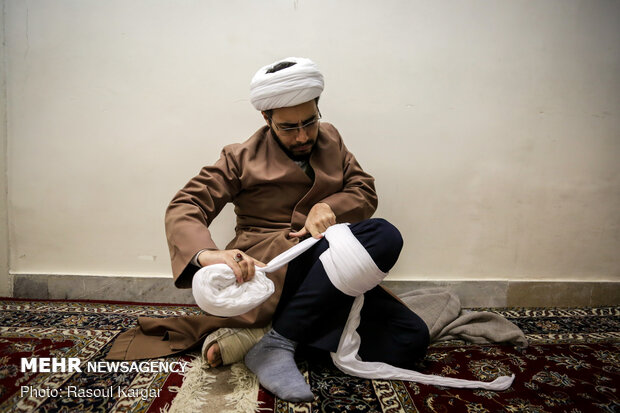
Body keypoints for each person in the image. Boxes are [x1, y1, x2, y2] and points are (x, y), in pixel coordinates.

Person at [106, 57, 429, 402]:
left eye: (310, 122)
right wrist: (209, 255)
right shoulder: (239, 157)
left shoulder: (332, 139)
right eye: (289, 127)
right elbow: (186, 205)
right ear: (266, 118)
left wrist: (327, 207)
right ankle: (279, 343)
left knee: (410, 340)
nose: (303, 136)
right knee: (384, 235)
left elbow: (363, 189)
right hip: (271, 271)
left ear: (318, 109)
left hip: (327, 269)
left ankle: (268, 334)